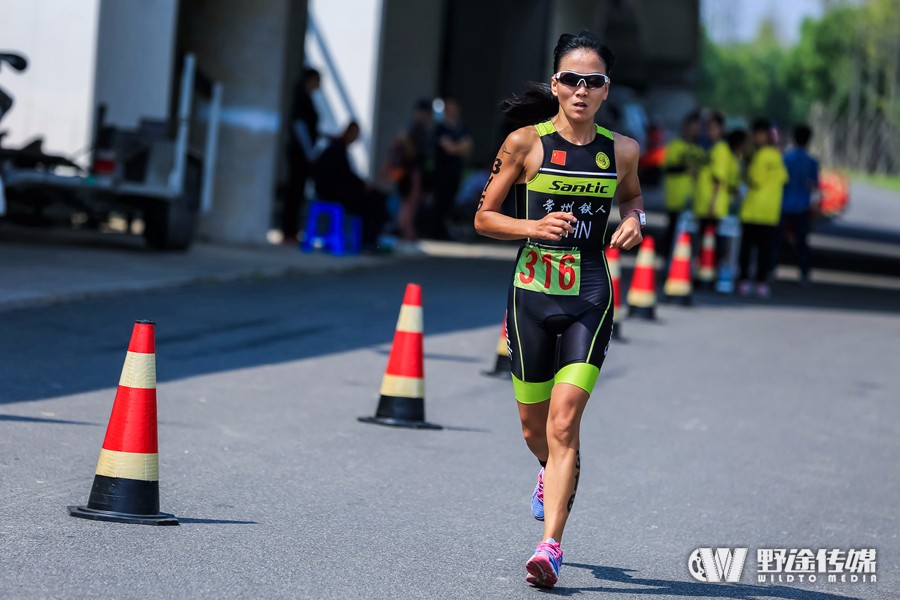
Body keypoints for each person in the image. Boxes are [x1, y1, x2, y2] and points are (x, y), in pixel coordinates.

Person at [473, 31, 644, 589]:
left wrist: (634, 220)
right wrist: (533, 226)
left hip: (590, 295)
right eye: (571, 79)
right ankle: (551, 472)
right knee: (534, 429)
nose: (580, 89)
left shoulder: (621, 150)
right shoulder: (525, 143)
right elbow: (483, 218)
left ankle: (550, 547)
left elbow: (633, 197)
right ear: (555, 84)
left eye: (592, 81)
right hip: (531, 294)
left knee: (565, 421)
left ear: (605, 90)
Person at [312, 122, 387, 251]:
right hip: (332, 193)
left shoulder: (338, 147)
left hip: (333, 190)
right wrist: (362, 185)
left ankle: (368, 240)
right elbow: (343, 176)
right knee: (374, 201)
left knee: (375, 198)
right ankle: (368, 242)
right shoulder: (336, 149)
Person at [738, 118, 788, 298]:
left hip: (754, 211)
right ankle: (761, 283)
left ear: (762, 134)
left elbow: (754, 180)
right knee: (765, 251)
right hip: (771, 212)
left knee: (747, 249)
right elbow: (784, 179)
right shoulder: (777, 156)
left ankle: (744, 281)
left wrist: (746, 166)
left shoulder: (761, 156)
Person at [282, 68, 321, 243]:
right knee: (294, 192)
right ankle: (288, 231)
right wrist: (309, 151)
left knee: (297, 192)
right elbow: (299, 126)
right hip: (300, 153)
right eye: (318, 80)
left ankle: (291, 231)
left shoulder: (307, 98)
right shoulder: (302, 99)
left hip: (303, 152)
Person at [777, 124, 819, 284]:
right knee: (802, 241)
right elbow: (814, 185)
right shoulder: (811, 162)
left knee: (777, 240)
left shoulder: (786, 158)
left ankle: (770, 268)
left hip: (784, 204)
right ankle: (804, 272)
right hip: (802, 205)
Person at [661, 110, 703, 257]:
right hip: (676, 199)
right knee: (672, 233)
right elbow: (668, 168)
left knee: (689, 238)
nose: (694, 131)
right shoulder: (675, 145)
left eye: (697, 127)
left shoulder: (699, 150)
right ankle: (667, 263)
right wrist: (686, 168)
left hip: (693, 200)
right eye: (692, 127)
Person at [429, 98, 473, 240]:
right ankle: (437, 231)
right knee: (440, 202)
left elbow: (468, 148)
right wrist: (458, 147)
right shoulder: (440, 127)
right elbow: (448, 148)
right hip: (441, 172)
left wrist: (456, 147)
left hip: (456, 171)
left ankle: (447, 230)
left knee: (452, 202)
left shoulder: (462, 127)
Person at [693, 110, 732, 267]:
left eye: (713, 127)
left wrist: (712, 203)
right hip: (706, 204)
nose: (710, 131)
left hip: (712, 206)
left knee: (711, 242)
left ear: (721, 129)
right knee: (707, 241)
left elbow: (718, 179)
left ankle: (710, 272)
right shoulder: (712, 148)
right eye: (708, 127)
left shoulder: (721, 150)